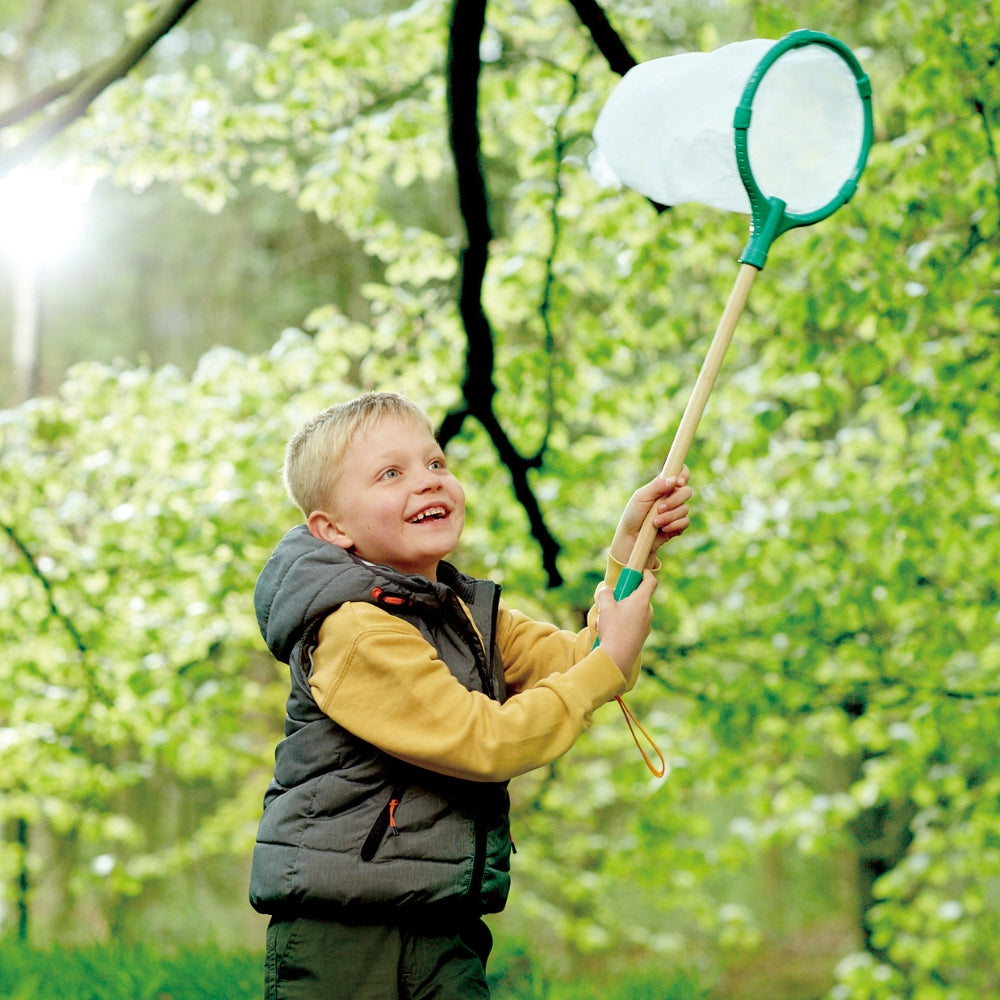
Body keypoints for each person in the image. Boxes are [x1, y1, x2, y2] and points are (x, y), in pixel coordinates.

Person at [250, 391, 692, 1000]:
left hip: (443, 923)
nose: (427, 481)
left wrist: (630, 553)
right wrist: (607, 663)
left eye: (435, 463)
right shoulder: (354, 631)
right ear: (333, 529)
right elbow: (485, 740)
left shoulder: (461, 613)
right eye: (390, 474)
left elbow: (581, 662)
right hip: (347, 934)